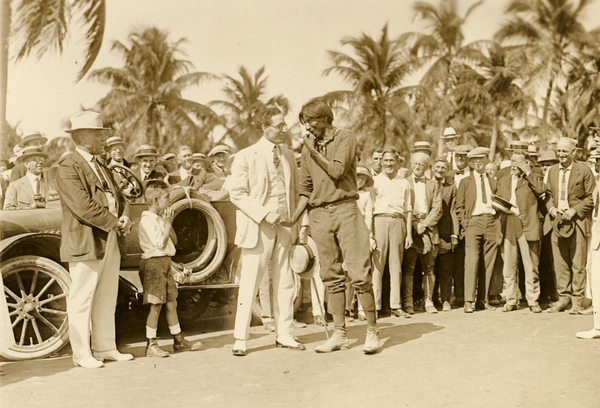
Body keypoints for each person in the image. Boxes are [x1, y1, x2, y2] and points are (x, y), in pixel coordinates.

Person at [288, 98, 379, 354]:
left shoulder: (345, 137)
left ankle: (373, 331)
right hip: (319, 215)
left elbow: (337, 171)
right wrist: (293, 220)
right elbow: (305, 190)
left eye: (311, 122)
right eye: (305, 124)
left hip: (345, 210)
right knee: (330, 276)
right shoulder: (308, 149)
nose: (308, 129)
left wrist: (312, 150)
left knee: (359, 274)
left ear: (325, 118)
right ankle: (340, 334)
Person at [56, 111, 133, 368]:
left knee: (107, 294)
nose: (104, 137)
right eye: (99, 133)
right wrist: (114, 221)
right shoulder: (68, 166)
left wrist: (124, 216)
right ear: (81, 136)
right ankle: (81, 354)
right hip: (87, 240)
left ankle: (105, 347)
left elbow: (118, 197)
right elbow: (82, 205)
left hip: (109, 236)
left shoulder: (100, 164)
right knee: (83, 296)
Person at [228, 107, 305, 356]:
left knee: (285, 280)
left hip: (284, 226)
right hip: (257, 225)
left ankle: (284, 334)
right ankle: (241, 337)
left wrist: (295, 221)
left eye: (285, 124)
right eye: (279, 125)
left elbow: (294, 192)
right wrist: (265, 214)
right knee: (251, 280)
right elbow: (237, 194)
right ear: (265, 127)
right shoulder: (246, 156)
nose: (284, 129)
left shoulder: (289, 156)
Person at [139, 180, 202, 357]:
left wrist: (168, 222)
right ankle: (150, 345)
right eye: (167, 197)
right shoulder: (146, 220)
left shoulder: (160, 218)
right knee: (156, 305)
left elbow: (173, 241)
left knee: (172, 303)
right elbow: (159, 243)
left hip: (165, 263)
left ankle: (178, 340)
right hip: (154, 265)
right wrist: (166, 224)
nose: (169, 200)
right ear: (156, 200)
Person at [545, 137, 595, 314]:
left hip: (578, 222)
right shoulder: (551, 171)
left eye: (565, 151)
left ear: (573, 152)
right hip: (557, 223)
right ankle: (563, 298)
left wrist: (574, 210)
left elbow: (591, 198)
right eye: (558, 151)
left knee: (577, 262)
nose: (561, 154)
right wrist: (551, 209)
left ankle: (577, 301)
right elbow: (548, 195)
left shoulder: (584, 170)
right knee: (560, 262)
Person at [496, 151, 546, 313]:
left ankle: (533, 300)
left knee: (531, 264)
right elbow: (496, 199)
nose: (514, 165)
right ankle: (511, 300)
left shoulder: (533, 178)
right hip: (508, 223)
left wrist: (529, 172)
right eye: (512, 161)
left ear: (525, 164)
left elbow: (541, 190)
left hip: (528, 224)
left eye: (518, 162)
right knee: (509, 265)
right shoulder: (503, 180)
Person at [456, 146, 501, 313]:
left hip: (491, 221)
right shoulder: (465, 182)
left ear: (486, 160)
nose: (479, 162)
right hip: (473, 222)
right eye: (475, 159)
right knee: (472, 260)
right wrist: (466, 224)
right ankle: (469, 300)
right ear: (471, 162)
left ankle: (483, 299)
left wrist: (495, 222)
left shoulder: (493, 182)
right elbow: (459, 206)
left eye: (482, 159)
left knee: (488, 262)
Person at [370, 148, 412, 317]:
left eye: (391, 161)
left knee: (396, 267)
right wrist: (370, 233)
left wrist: (408, 234)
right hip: (379, 222)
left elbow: (408, 209)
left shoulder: (404, 183)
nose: (388, 164)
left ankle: (396, 305)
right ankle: (375, 306)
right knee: (377, 267)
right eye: (385, 160)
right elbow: (370, 208)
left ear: (397, 162)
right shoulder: (373, 181)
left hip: (398, 222)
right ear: (381, 162)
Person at [402, 151, 442, 314]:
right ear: (411, 164)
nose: (418, 166)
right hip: (410, 228)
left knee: (429, 268)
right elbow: (402, 206)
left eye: (421, 164)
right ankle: (408, 302)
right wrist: (414, 224)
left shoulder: (434, 185)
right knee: (409, 268)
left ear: (426, 167)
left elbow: (437, 209)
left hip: (429, 229)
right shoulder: (404, 183)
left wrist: (424, 224)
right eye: (415, 163)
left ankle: (429, 301)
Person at [431, 157, 459, 311]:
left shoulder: (451, 187)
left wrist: (454, 234)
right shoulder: (427, 184)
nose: (440, 170)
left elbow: (453, 211)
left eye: (443, 167)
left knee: (446, 268)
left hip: (446, 230)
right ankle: (431, 298)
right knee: (431, 267)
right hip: (430, 230)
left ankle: (446, 299)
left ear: (447, 170)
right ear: (432, 167)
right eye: (437, 167)